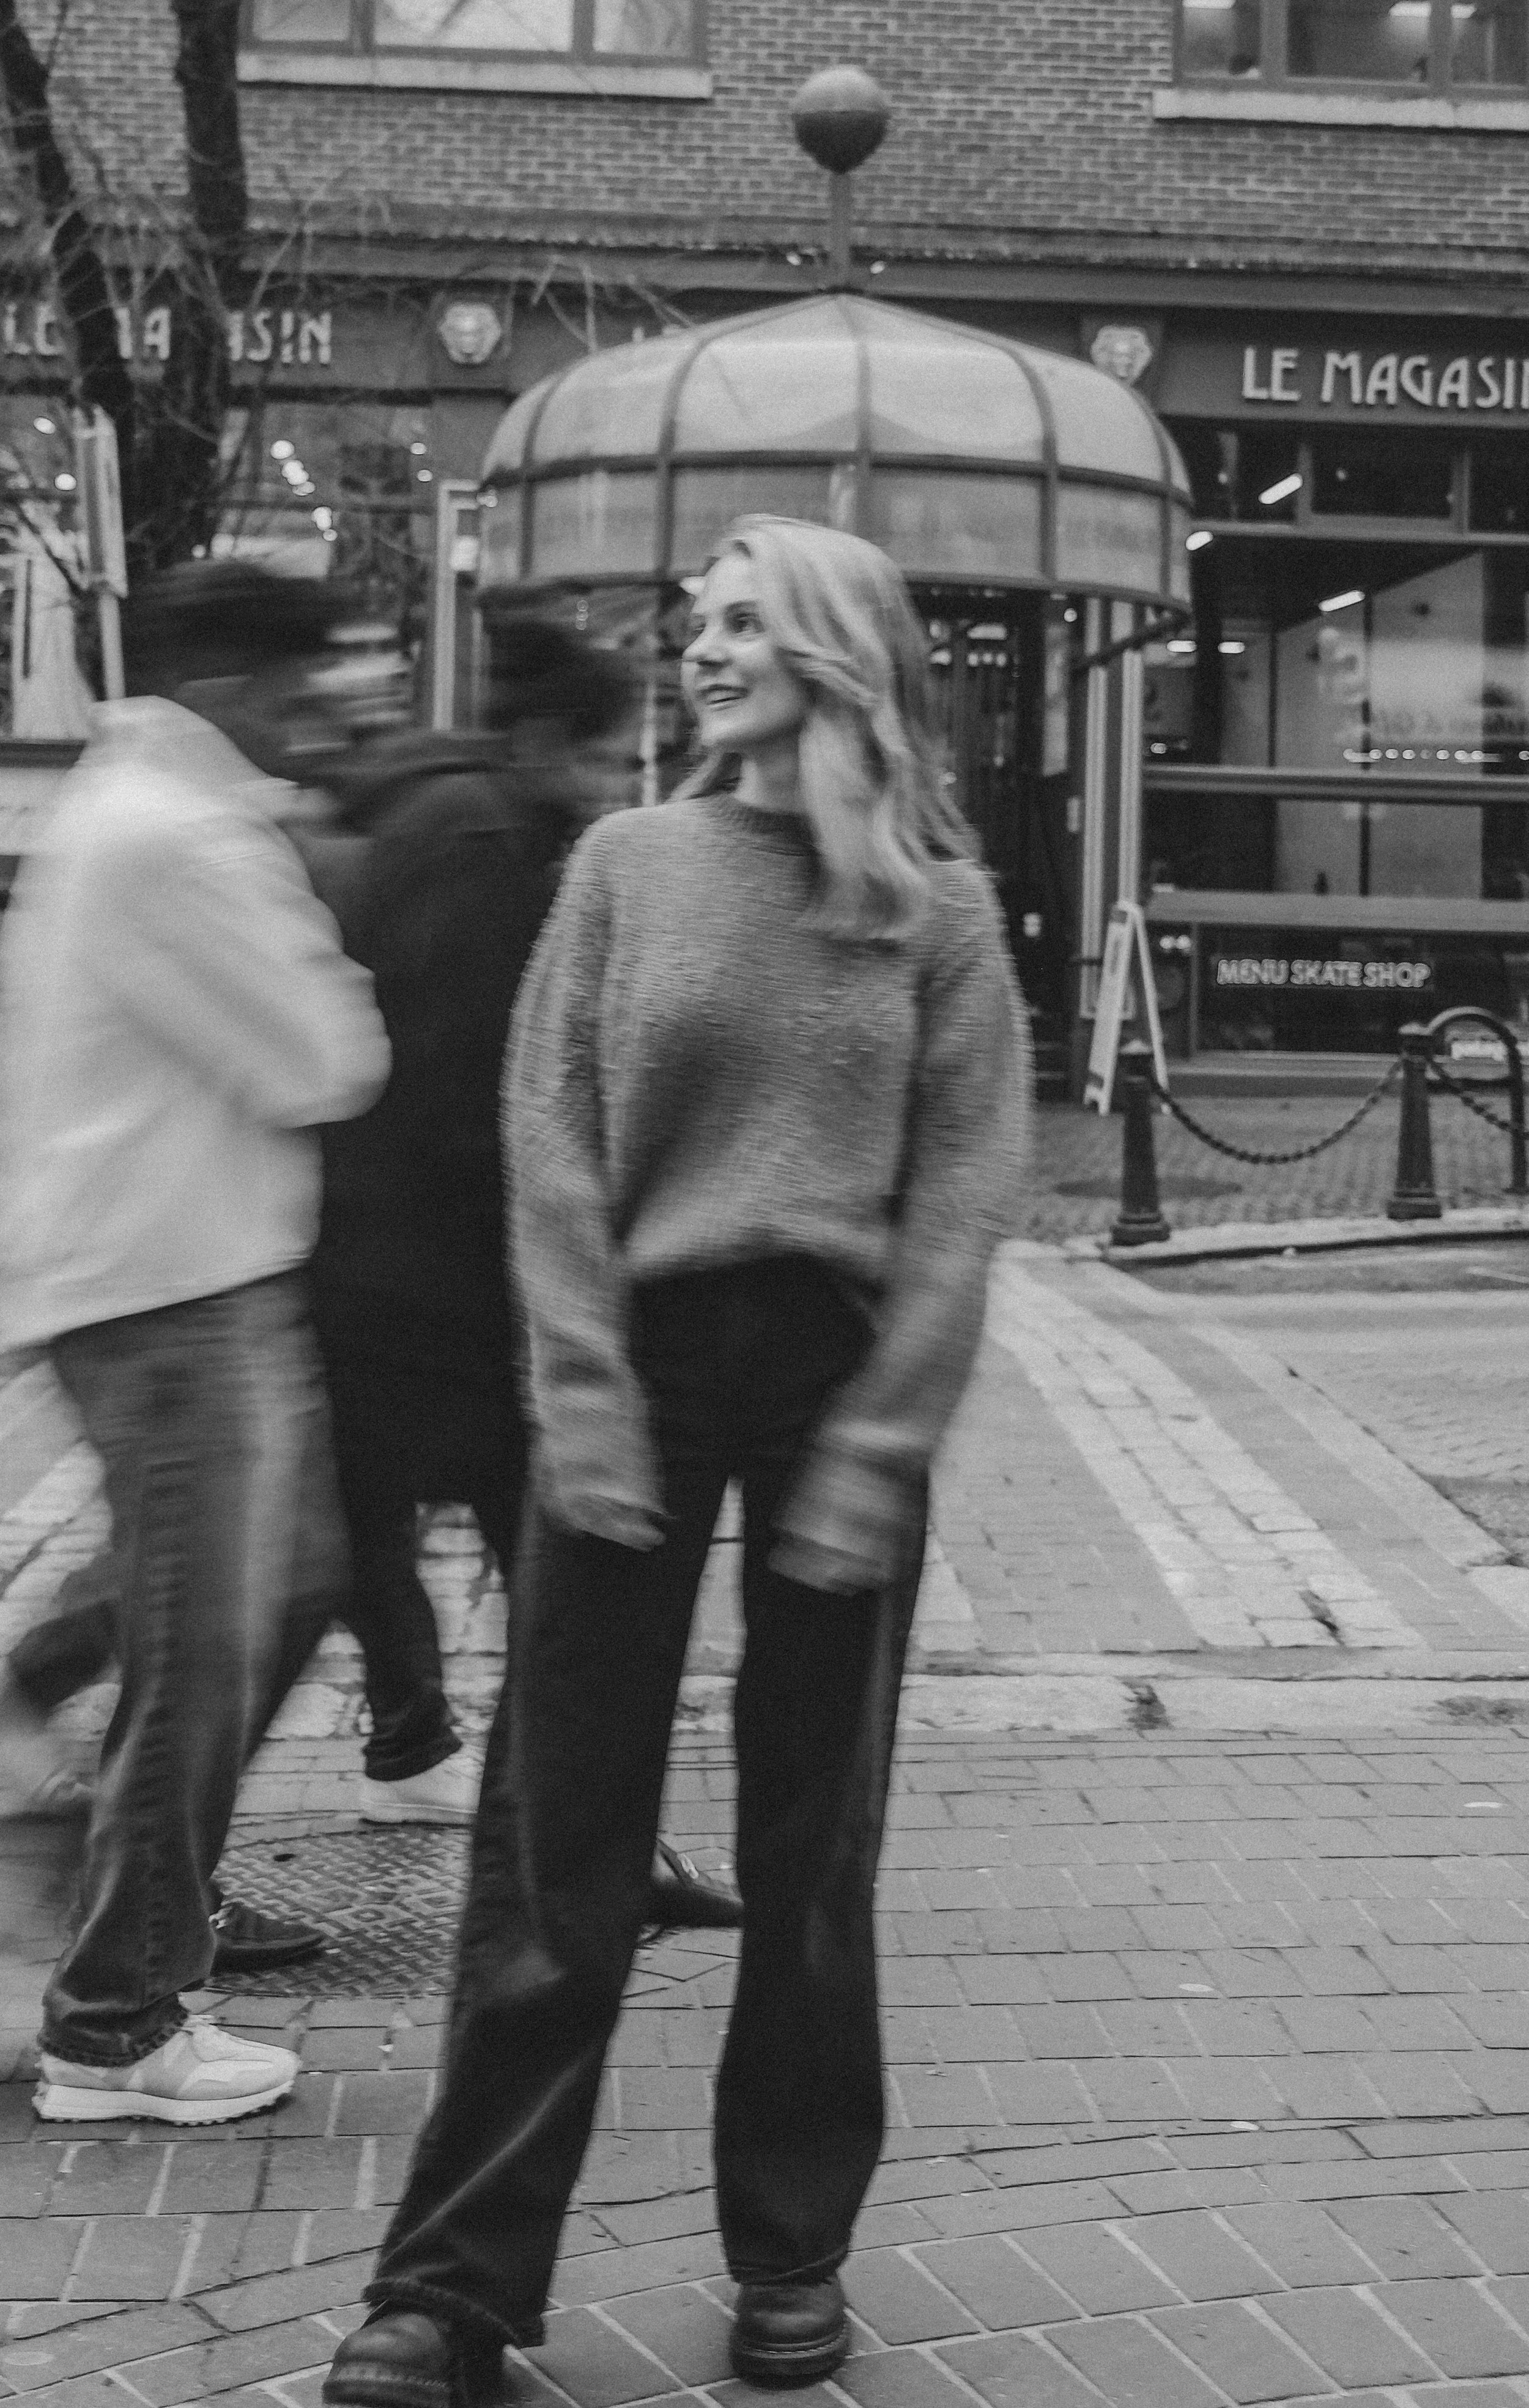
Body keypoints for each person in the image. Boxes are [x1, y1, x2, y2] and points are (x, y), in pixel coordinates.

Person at [324, 519, 1031, 2408]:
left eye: (742, 619)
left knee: (813, 1852)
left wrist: (882, 1437)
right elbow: (545, 1137)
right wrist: (576, 1388)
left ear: (837, 648)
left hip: (834, 1369)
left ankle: (791, 2252)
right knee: (557, 1845)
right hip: (631, 1357)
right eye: (695, 621)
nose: (703, 648)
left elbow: (963, 1193)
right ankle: (451, 2287)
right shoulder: (626, 865)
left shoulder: (937, 910)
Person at [0, 562, 391, 2124]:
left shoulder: (131, 804)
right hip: (174, 1297)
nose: (329, 706)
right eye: (308, 679)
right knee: (201, 1658)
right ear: (233, 684)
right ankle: (115, 2023)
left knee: (260, 1591)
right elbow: (327, 1057)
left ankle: (32, 1734)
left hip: (163, 1283)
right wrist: (309, 932)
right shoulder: (182, 833)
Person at [306, 624, 742, 1928]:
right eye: (609, 751)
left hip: (391, 1287)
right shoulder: (492, 849)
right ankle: (594, 1848)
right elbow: (488, 1092)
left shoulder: (454, 816)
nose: (618, 780)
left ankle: (461, 1780)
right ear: (553, 739)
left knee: (348, 1567)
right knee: (570, 1594)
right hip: (447, 1301)